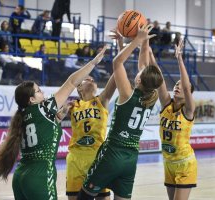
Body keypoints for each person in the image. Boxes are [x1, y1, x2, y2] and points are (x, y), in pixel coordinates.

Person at [0, 46, 108, 200]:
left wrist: (58, 118)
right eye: (39, 91)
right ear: (32, 99)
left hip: (20, 176)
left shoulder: (22, 115)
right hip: (39, 175)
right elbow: (72, 82)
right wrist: (93, 62)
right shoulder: (43, 108)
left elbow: (42, 131)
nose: (43, 93)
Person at [77, 24, 164, 200]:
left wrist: (137, 41)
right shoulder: (152, 95)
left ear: (139, 79)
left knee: (84, 197)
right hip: (131, 159)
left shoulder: (127, 95)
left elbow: (117, 62)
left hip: (112, 154)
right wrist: (143, 42)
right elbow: (144, 64)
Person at [65, 30, 122, 200]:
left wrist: (120, 46)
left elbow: (118, 72)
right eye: (85, 79)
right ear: (79, 88)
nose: (90, 79)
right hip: (75, 158)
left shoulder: (102, 100)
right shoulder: (72, 105)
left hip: (97, 157)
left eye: (92, 79)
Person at [154, 38, 197, 200]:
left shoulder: (189, 109)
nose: (177, 86)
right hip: (168, 163)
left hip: (185, 164)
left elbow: (187, 86)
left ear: (188, 95)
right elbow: (159, 79)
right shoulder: (167, 104)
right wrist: (149, 52)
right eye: (176, 85)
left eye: (181, 85)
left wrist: (179, 58)